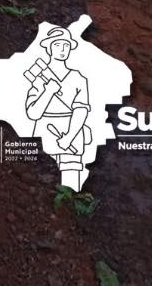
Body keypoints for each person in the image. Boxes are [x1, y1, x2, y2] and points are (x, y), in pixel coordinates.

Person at [24, 26, 92, 191]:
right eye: (57, 45)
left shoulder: (78, 78)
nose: (62, 49)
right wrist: (48, 91)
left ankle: (68, 204)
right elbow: (32, 113)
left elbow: (81, 110)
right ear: (48, 48)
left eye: (66, 45)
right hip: (43, 132)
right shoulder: (38, 78)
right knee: (37, 178)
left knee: (70, 183)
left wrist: (69, 136)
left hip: (72, 133)